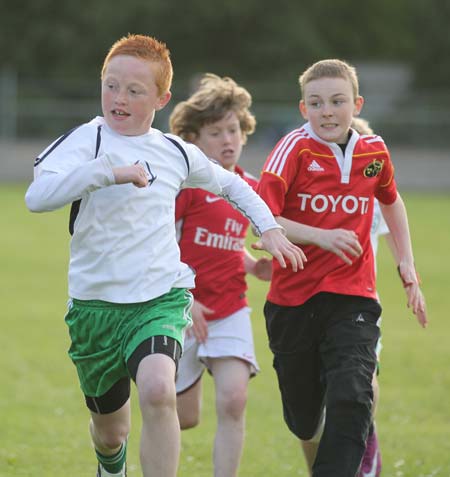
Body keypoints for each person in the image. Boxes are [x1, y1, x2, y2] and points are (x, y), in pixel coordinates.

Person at [24, 34, 306, 477]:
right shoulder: (86, 141)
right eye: (111, 85)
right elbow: (38, 197)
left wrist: (267, 227)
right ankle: (110, 466)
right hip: (94, 307)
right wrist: (106, 173)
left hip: (159, 297)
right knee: (110, 432)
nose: (119, 98)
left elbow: (231, 184)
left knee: (158, 389)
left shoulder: (174, 151)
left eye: (134, 90)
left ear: (161, 97)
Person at [255, 59, 427, 477]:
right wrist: (320, 235)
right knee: (304, 420)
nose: (327, 111)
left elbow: (391, 199)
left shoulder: (374, 152)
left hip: (353, 295)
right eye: (316, 103)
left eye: (337, 101)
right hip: (293, 301)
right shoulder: (293, 149)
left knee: (353, 395)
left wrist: (407, 265)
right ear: (303, 109)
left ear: (356, 104)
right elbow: (261, 213)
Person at [169, 73, 271, 477]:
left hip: (230, 309)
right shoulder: (186, 187)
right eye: (216, 132)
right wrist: (186, 299)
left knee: (233, 399)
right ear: (194, 140)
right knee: (183, 417)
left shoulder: (250, 187)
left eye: (233, 130)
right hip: (182, 308)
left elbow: (228, 243)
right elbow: (161, 247)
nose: (228, 140)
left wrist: (252, 264)